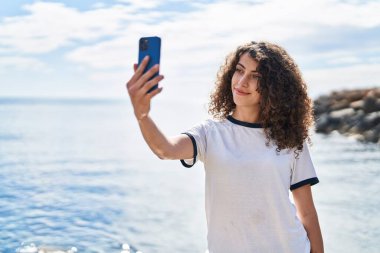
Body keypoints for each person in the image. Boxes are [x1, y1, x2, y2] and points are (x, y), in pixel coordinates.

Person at [126, 41, 324, 253]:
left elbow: (307, 213)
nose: (242, 81)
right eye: (239, 71)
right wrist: (142, 115)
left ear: (274, 88)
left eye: (256, 76)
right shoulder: (210, 134)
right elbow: (165, 149)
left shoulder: (290, 138)